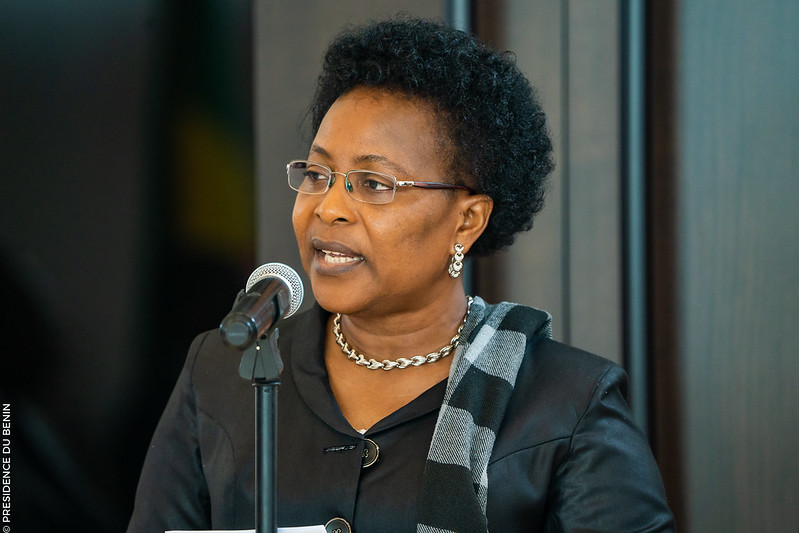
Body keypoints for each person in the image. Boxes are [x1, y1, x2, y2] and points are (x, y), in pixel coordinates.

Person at [127, 17, 674, 533]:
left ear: (467, 220)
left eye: (373, 184)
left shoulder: (567, 404)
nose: (328, 208)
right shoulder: (221, 374)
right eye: (317, 174)